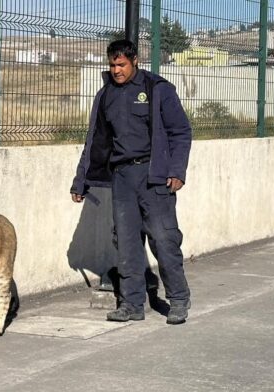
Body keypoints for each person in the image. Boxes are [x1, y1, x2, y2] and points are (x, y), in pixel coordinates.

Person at [70, 39, 192, 324]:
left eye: (121, 64)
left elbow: (180, 132)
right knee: (126, 244)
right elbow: (94, 141)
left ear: (135, 60)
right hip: (122, 178)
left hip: (154, 176)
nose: (116, 70)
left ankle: (178, 300)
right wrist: (81, 181)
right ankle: (132, 304)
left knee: (163, 240)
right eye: (112, 65)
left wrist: (177, 170)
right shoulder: (105, 96)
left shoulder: (157, 89)